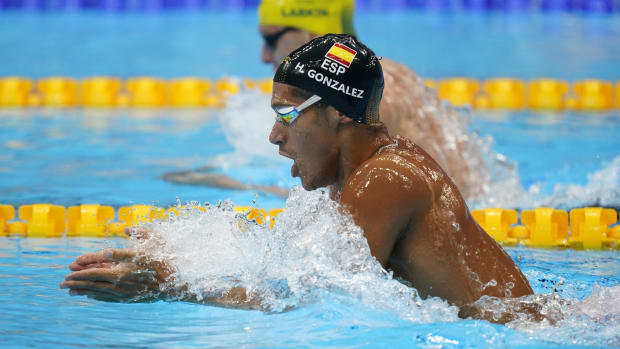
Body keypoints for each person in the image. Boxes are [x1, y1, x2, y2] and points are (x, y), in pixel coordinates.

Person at [61, 35, 533, 322]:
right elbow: (293, 268)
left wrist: (170, 286)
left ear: (339, 114)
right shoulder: (352, 177)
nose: (273, 135)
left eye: (287, 113)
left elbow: (315, 299)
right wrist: (183, 254)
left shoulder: (387, 179)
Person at [167, 0, 488, 201]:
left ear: (309, 35)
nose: (264, 56)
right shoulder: (387, 76)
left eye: (270, 39)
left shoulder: (363, 105)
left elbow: (350, 204)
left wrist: (236, 188)